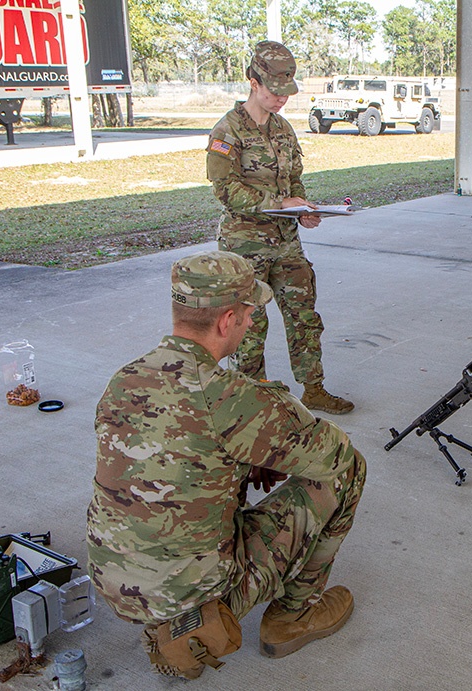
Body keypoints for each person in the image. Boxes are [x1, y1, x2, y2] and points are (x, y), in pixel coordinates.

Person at [86, 250, 366, 679]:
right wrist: (275, 427)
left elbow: (170, 459)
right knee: (349, 472)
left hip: (115, 585)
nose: (253, 323)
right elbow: (335, 454)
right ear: (226, 320)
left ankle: (172, 621)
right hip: (192, 591)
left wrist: (241, 462)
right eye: (250, 313)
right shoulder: (230, 395)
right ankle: (287, 617)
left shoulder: (126, 378)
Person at [206, 40, 353, 414]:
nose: (281, 99)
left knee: (305, 316)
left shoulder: (284, 130)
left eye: (287, 92)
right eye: (275, 91)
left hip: (287, 242)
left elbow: (294, 180)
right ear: (253, 82)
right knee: (249, 327)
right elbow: (225, 190)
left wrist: (303, 208)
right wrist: (278, 204)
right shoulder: (228, 131)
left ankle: (314, 389)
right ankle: (251, 401)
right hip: (245, 246)